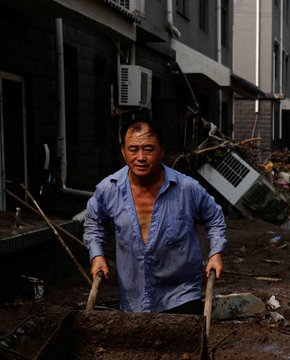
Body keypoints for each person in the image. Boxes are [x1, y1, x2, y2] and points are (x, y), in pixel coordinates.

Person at [84, 119, 228, 314]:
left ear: (161, 150)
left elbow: (215, 218)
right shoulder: (108, 190)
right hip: (133, 297)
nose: (141, 157)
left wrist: (216, 253)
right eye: (133, 149)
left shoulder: (186, 189)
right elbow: (93, 221)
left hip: (181, 293)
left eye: (148, 149)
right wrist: (97, 255)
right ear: (123, 151)